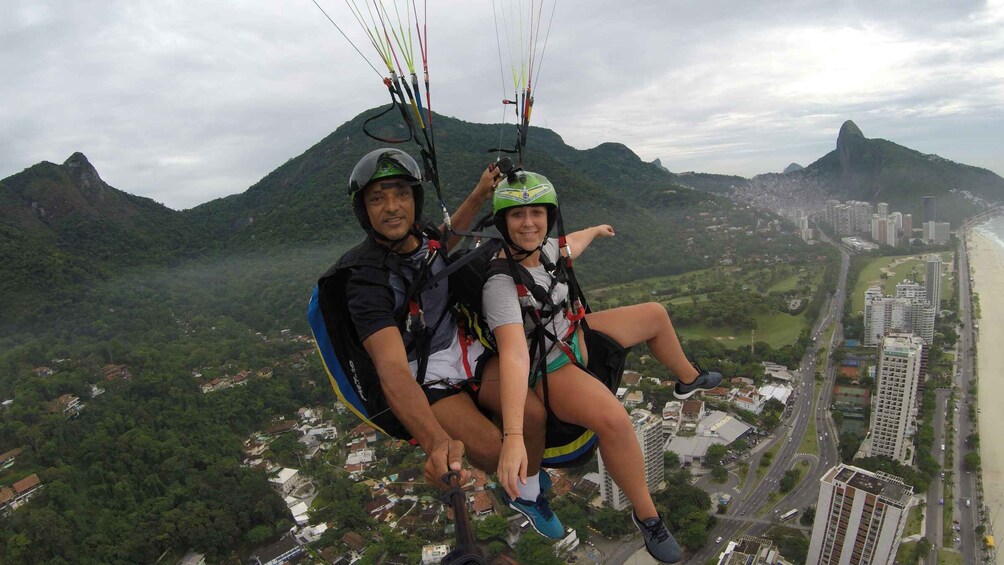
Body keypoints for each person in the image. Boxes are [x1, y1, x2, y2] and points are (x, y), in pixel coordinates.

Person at [315, 148, 564, 538]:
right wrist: (435, 442)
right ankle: (523, 494)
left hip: (464, 351)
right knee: (496, 449)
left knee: (532, 418)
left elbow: (446, 241)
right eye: (377, 199)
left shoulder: (424, 236)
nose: (392, 207)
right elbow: (391, 368)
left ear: (415, 199)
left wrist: (482, 192)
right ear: (364, 211)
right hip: (422, 375)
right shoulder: (365, 282)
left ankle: (528, 483)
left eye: (400, 194)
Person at [481, 170, 723, 563]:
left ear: (549, 216)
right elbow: (512, 354)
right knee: (616, 420)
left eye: (537, 213)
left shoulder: (546, 250)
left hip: (572, 332)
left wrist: (594, 229)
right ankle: (648, 517)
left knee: (655, 315)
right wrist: (512, 435)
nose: (529, 223)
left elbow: (571, 245)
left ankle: (688, 379)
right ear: (503, 222)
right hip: (548, 362)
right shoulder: (500, 284)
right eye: (517, 215)